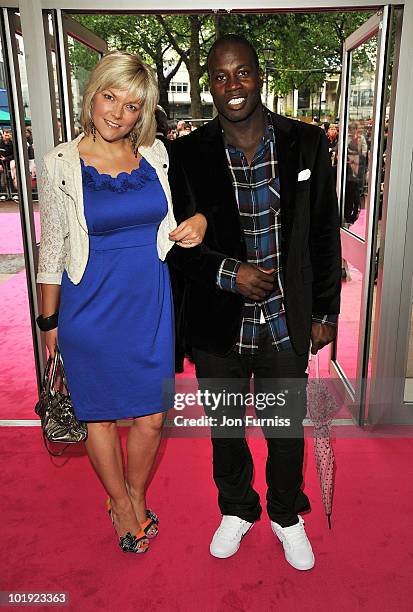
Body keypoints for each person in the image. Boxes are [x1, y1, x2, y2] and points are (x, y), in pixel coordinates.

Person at [167, 35, 341, 571]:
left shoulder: (307, 144)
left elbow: (323, 235)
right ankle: (238, 509)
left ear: (259, 74)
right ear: (208, 85)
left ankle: (287, 515)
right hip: (220, 321)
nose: (232, 86)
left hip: (286, 323)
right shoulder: (188, 153)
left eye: (241, 73)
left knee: (285, 430)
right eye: (220, 77)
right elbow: (173, 245)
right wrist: (229, 273)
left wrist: (324, 313)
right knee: (225, 429)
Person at [36, 50, 207, 554]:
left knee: (152, 416)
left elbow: (176, 218)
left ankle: (133, 492)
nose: (118, 112)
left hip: (150, 302)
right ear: (92, 96)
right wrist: (49, 320)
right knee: (100, 415)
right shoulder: (59, 163)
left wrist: (196, 224)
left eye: (133, 106)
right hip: (88, 304)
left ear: (145, 112)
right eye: (110, 97)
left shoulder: (155, 156)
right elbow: (54, 246)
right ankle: (120, 502)